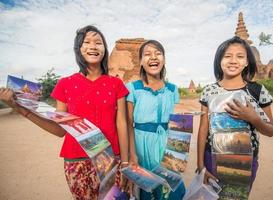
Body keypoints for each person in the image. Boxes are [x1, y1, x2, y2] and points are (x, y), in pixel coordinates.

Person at [0, 25, 129, 200]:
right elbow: (60, 130)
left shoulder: (116, 84)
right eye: (87, 42)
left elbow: (122, 123)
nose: (93, 46)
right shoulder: (65, 84)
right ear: (78, 49)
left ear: (104, 50)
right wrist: (19, 107)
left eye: (98, 42)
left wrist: (126, 162)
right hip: (76, 163)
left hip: (111, 160)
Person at [196, 36, 273, 190]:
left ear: (247, 62)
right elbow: (203, 129)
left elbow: (271, 130)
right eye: (227, 56)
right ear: (219, 60)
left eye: (240, 56)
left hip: (245, 161)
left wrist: (253, 118)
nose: (233, 60)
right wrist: (200, 164)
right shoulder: (209, 91)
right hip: (212, 157)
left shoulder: (258, 91)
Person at [126, 40, 185, 200]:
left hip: (166, 145)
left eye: (158, 53)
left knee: (170, 189)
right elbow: (128, 124)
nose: (153, 57)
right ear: (141, 62)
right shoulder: (133, 88)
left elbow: (178, 124)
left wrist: (178, 153)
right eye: (147, 54)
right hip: (142, 146)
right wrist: (132, 154)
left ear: (164, 59)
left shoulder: (172, 89)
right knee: (147, 188)